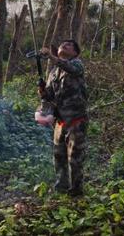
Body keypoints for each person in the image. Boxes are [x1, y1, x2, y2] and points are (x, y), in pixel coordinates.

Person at [36, 39, 88, 196]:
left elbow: (70, 68)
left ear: (75, 53)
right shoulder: (54, 73)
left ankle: (76, 192)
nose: (63, 45)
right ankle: (61, 188)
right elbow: (50, 97)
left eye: (69, 45)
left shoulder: (77, 64)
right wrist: (43, 92)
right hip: (60, 121)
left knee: (75, 158)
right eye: (62, 44)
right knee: (59, 157)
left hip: (76, 120)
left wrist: (51, 57)